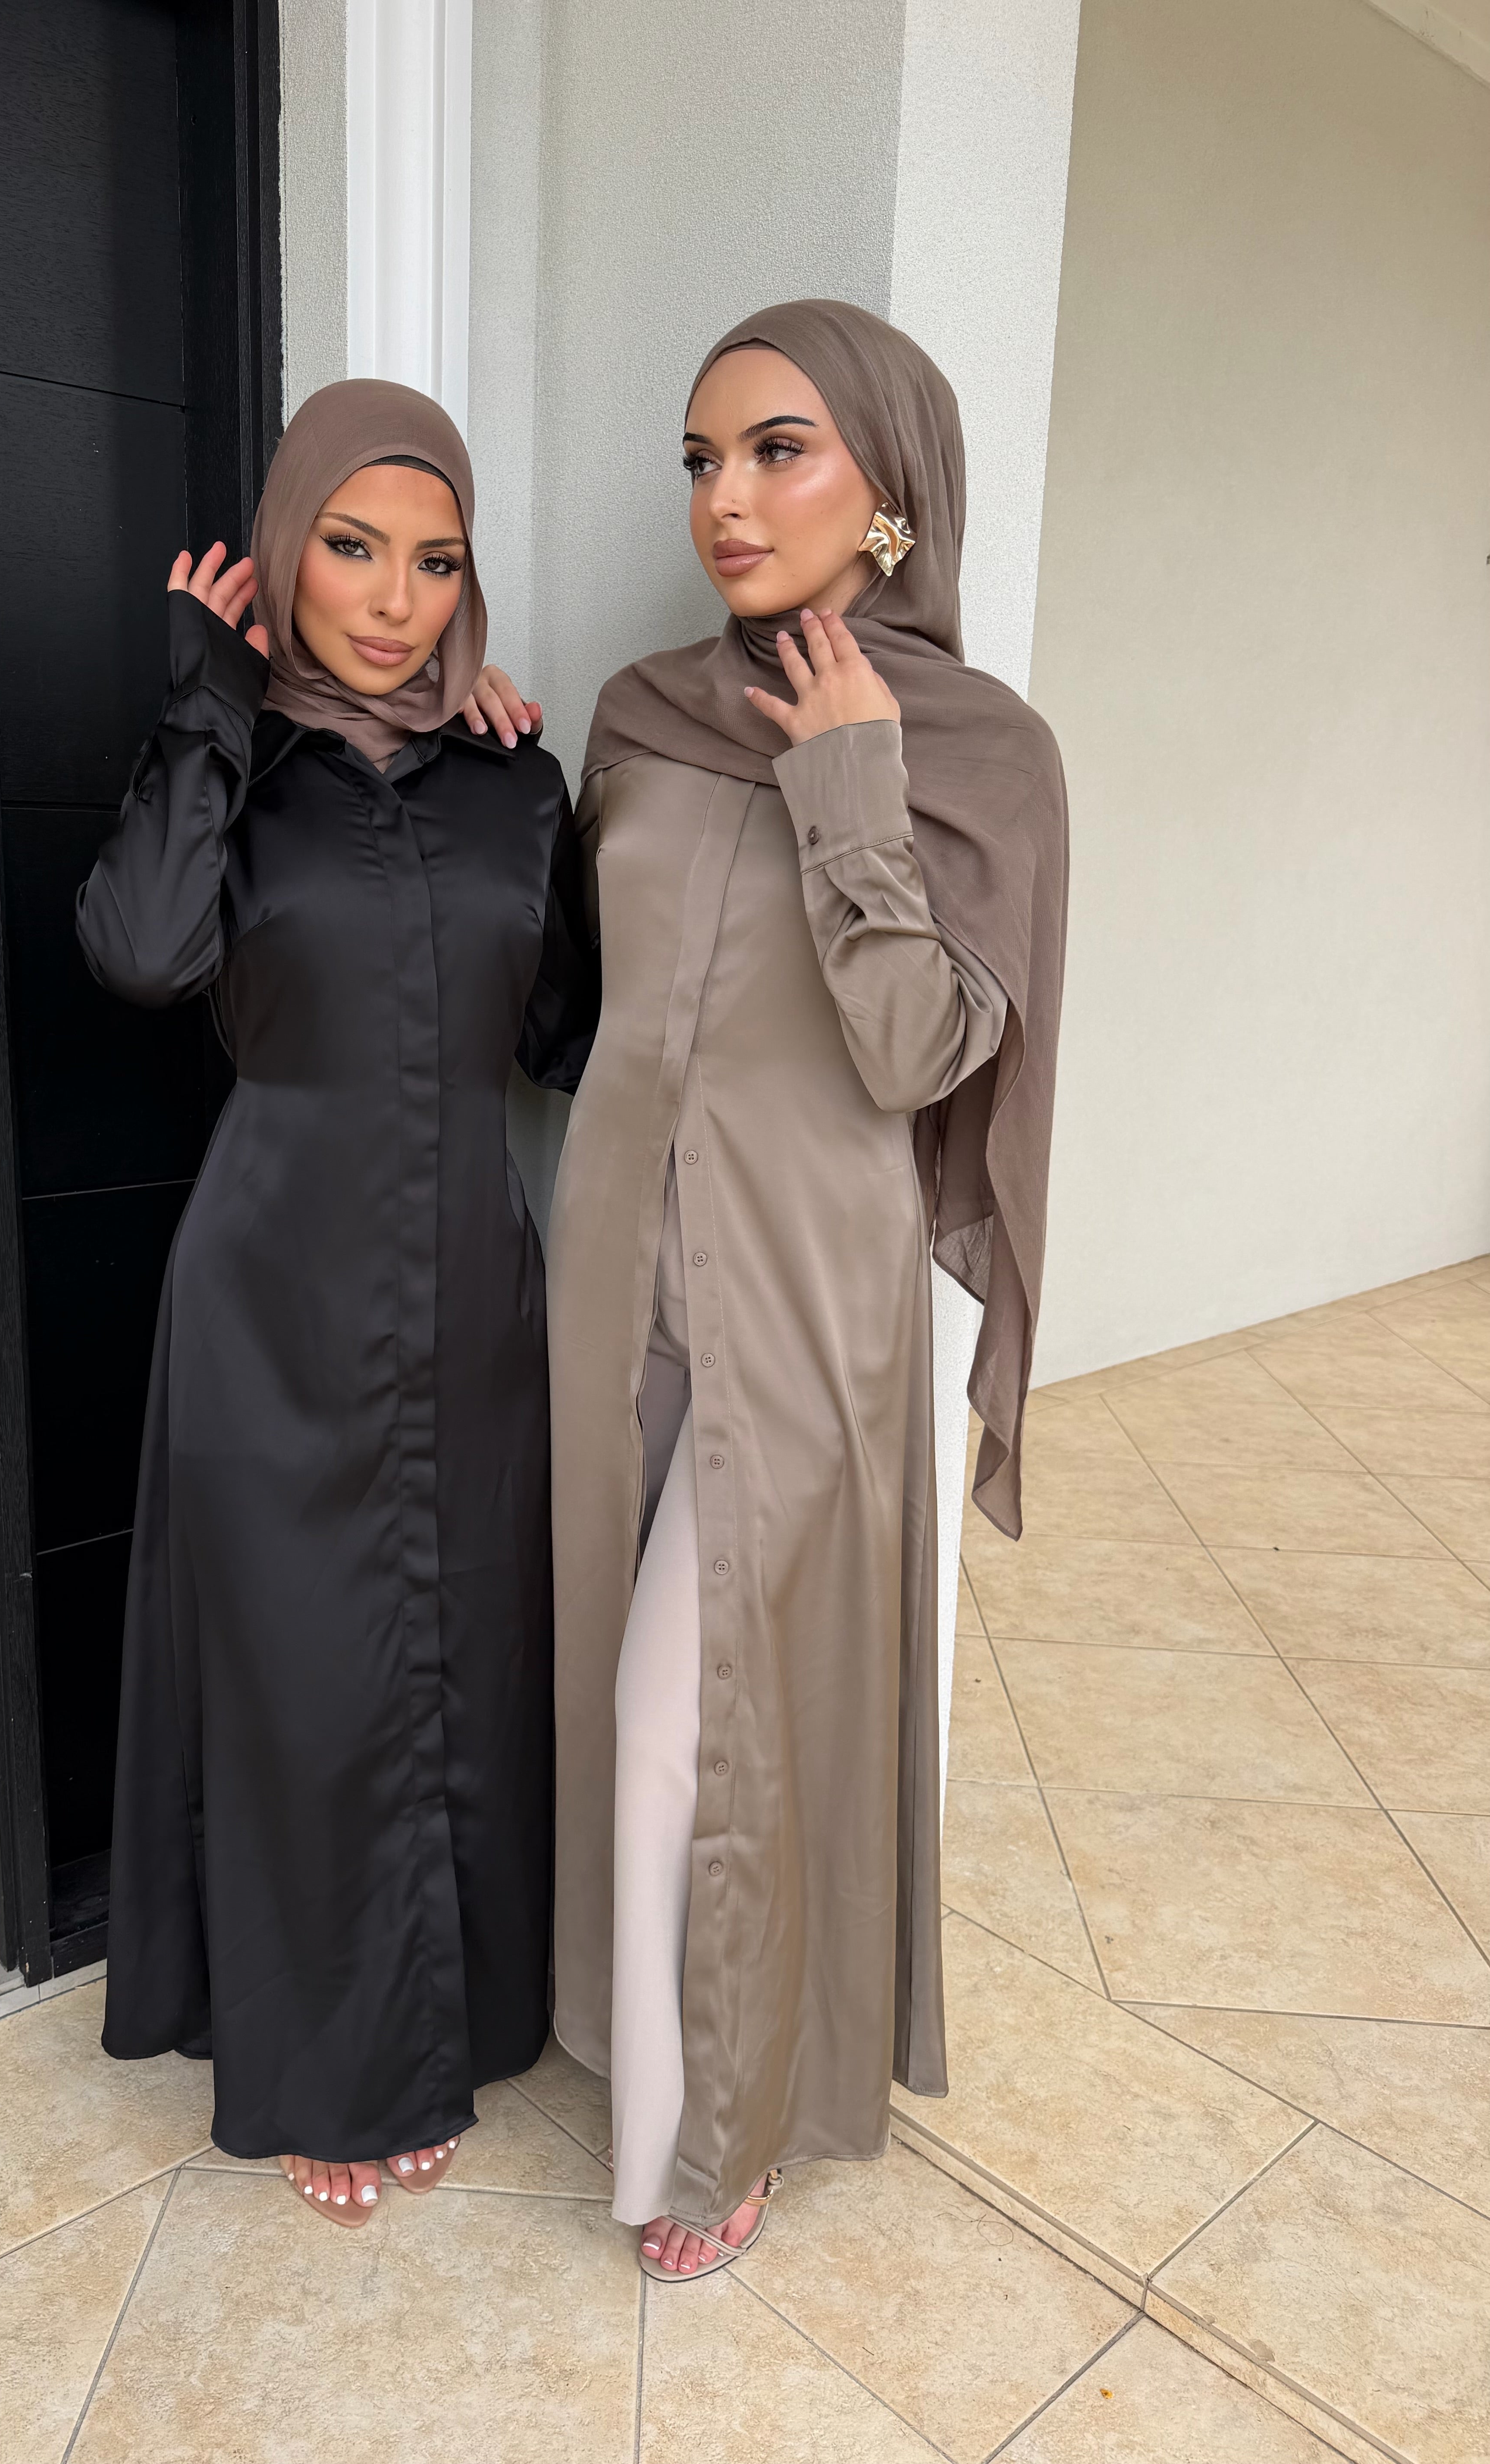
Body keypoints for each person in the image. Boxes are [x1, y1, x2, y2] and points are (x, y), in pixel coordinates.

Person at [547, 300, 1068, 2280]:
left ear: (891, 492)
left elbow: (921, 1052)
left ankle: (719, 2132)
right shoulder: (639, 712)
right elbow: (572, 993)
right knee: (609, 1675)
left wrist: (853, 788)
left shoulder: (982, 754)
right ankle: (640, 2033)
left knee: (706, 1714)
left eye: (779, 450)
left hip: (806, 1290)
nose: (726, 498)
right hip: (616, 1264)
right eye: (702, 458)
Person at [77, 378, 597, 2225]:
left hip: (473, 1301)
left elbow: (565, 1034)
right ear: (288, 553)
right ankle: (327, 2069)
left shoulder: (515, 782)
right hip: (271, 1295)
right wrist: (207, 703)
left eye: (435, 562)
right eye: (352, 549)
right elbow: (143, 953)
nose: (393, 600)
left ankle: (459, 2017)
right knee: (305, 1679)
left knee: (465, 1667)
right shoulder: (238, 769)